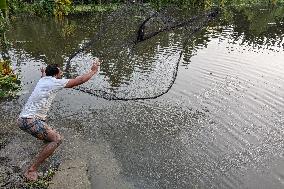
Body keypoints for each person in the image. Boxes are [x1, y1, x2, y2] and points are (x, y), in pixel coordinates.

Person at [17, 58, 101, 181]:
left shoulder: (43, 80)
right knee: (57, 139)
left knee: (48, 135)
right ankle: (32, 169)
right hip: (30, 121)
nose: (62, 74)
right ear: (55, 74)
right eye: (60, 72)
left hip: (22, 120)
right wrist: (93, 71)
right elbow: (80, 80)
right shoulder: (54, 82)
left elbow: (45, 76)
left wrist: (43, 72)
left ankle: (44, 152)